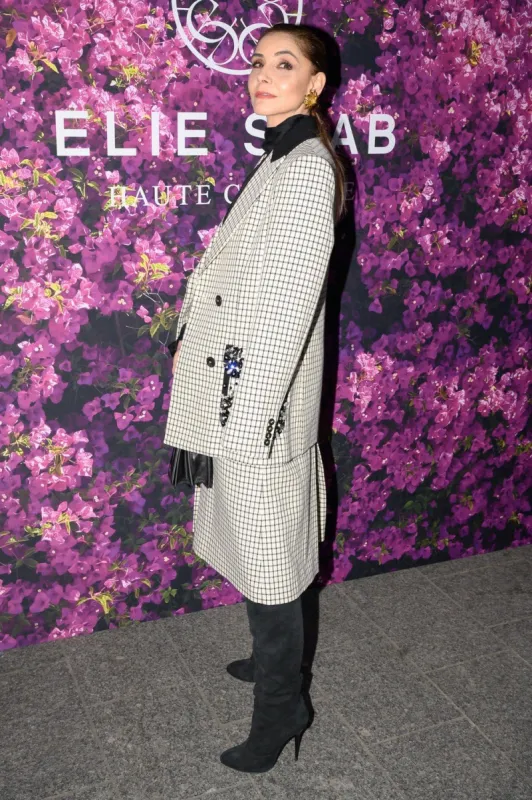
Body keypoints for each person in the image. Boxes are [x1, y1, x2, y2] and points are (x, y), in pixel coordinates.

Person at [164, 23, 346, 773]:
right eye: (257, 64)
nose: (262, 76)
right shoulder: (282, 158)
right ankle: (273, 666)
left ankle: (282, 708)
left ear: (316, 84)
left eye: (285, 64)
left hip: (253, 404)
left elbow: (287, 310)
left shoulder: (303, 169)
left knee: (273, 560)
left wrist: (244, 421)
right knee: (256, 545)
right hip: (236, 391)